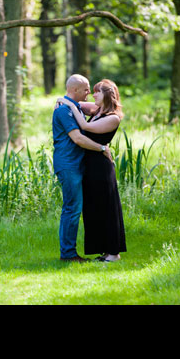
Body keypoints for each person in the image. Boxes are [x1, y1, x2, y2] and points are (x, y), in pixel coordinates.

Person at [57, 79, 127, 262]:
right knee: (95, 210)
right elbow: (77, 101)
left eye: (96, 92)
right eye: (91, 91)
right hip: (89, 166)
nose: (93, 94)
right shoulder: (97, 111)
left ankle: (114, 253)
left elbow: (85, 127)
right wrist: (63, 101)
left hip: (101, 167)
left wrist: (68, 105)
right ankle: (104, 251)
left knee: (107, 208)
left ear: (107, 95)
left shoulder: (112, 117)